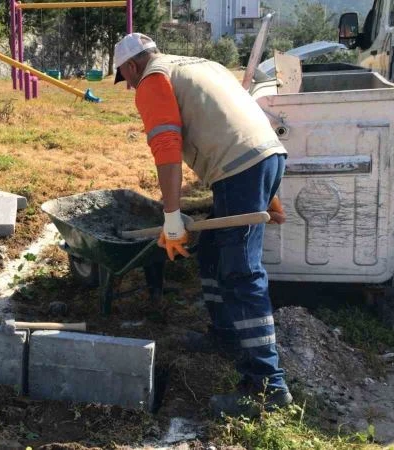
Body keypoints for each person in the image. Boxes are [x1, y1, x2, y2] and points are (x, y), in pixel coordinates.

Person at [113, 33, 291, 417]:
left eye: (124, 77)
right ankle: (225, 335)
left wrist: (172, 216)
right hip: (266, 157)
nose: (128, 86)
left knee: (242, 271)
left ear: (131, 66)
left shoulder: (151, 80)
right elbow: (246, 122)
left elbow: (166, 148)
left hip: (240, 168)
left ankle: (267, 386)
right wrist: (269, 193)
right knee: (212, 250)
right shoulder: (200, 65)